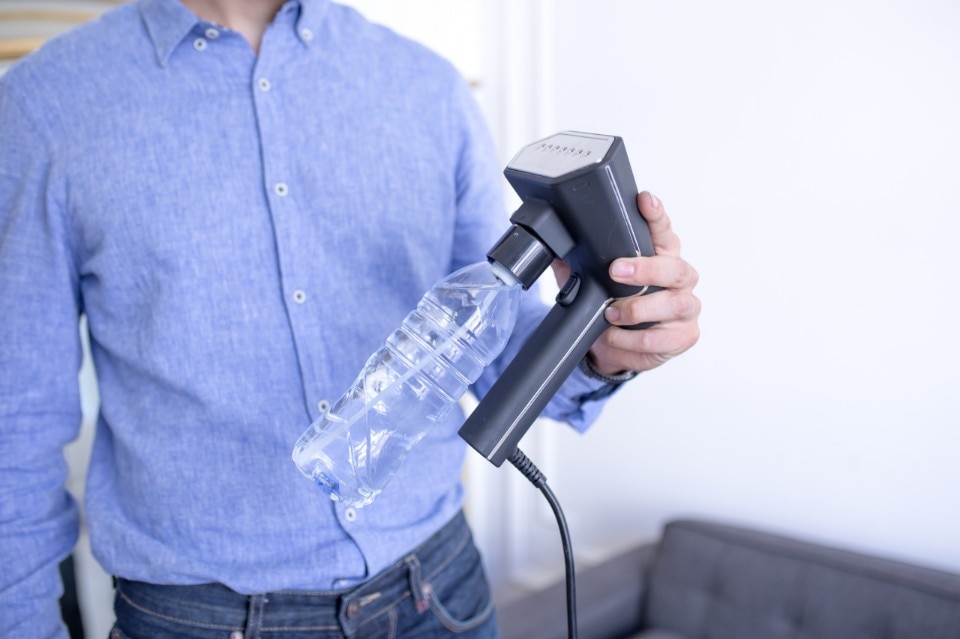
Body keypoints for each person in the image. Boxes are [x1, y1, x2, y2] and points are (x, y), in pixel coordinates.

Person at [0, 0, 701, 637]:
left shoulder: (428, 87)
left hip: (440, 595)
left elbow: (491, 345)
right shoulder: (45, 107)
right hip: (200, 620)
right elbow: (15, 427)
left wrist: (603, 345)